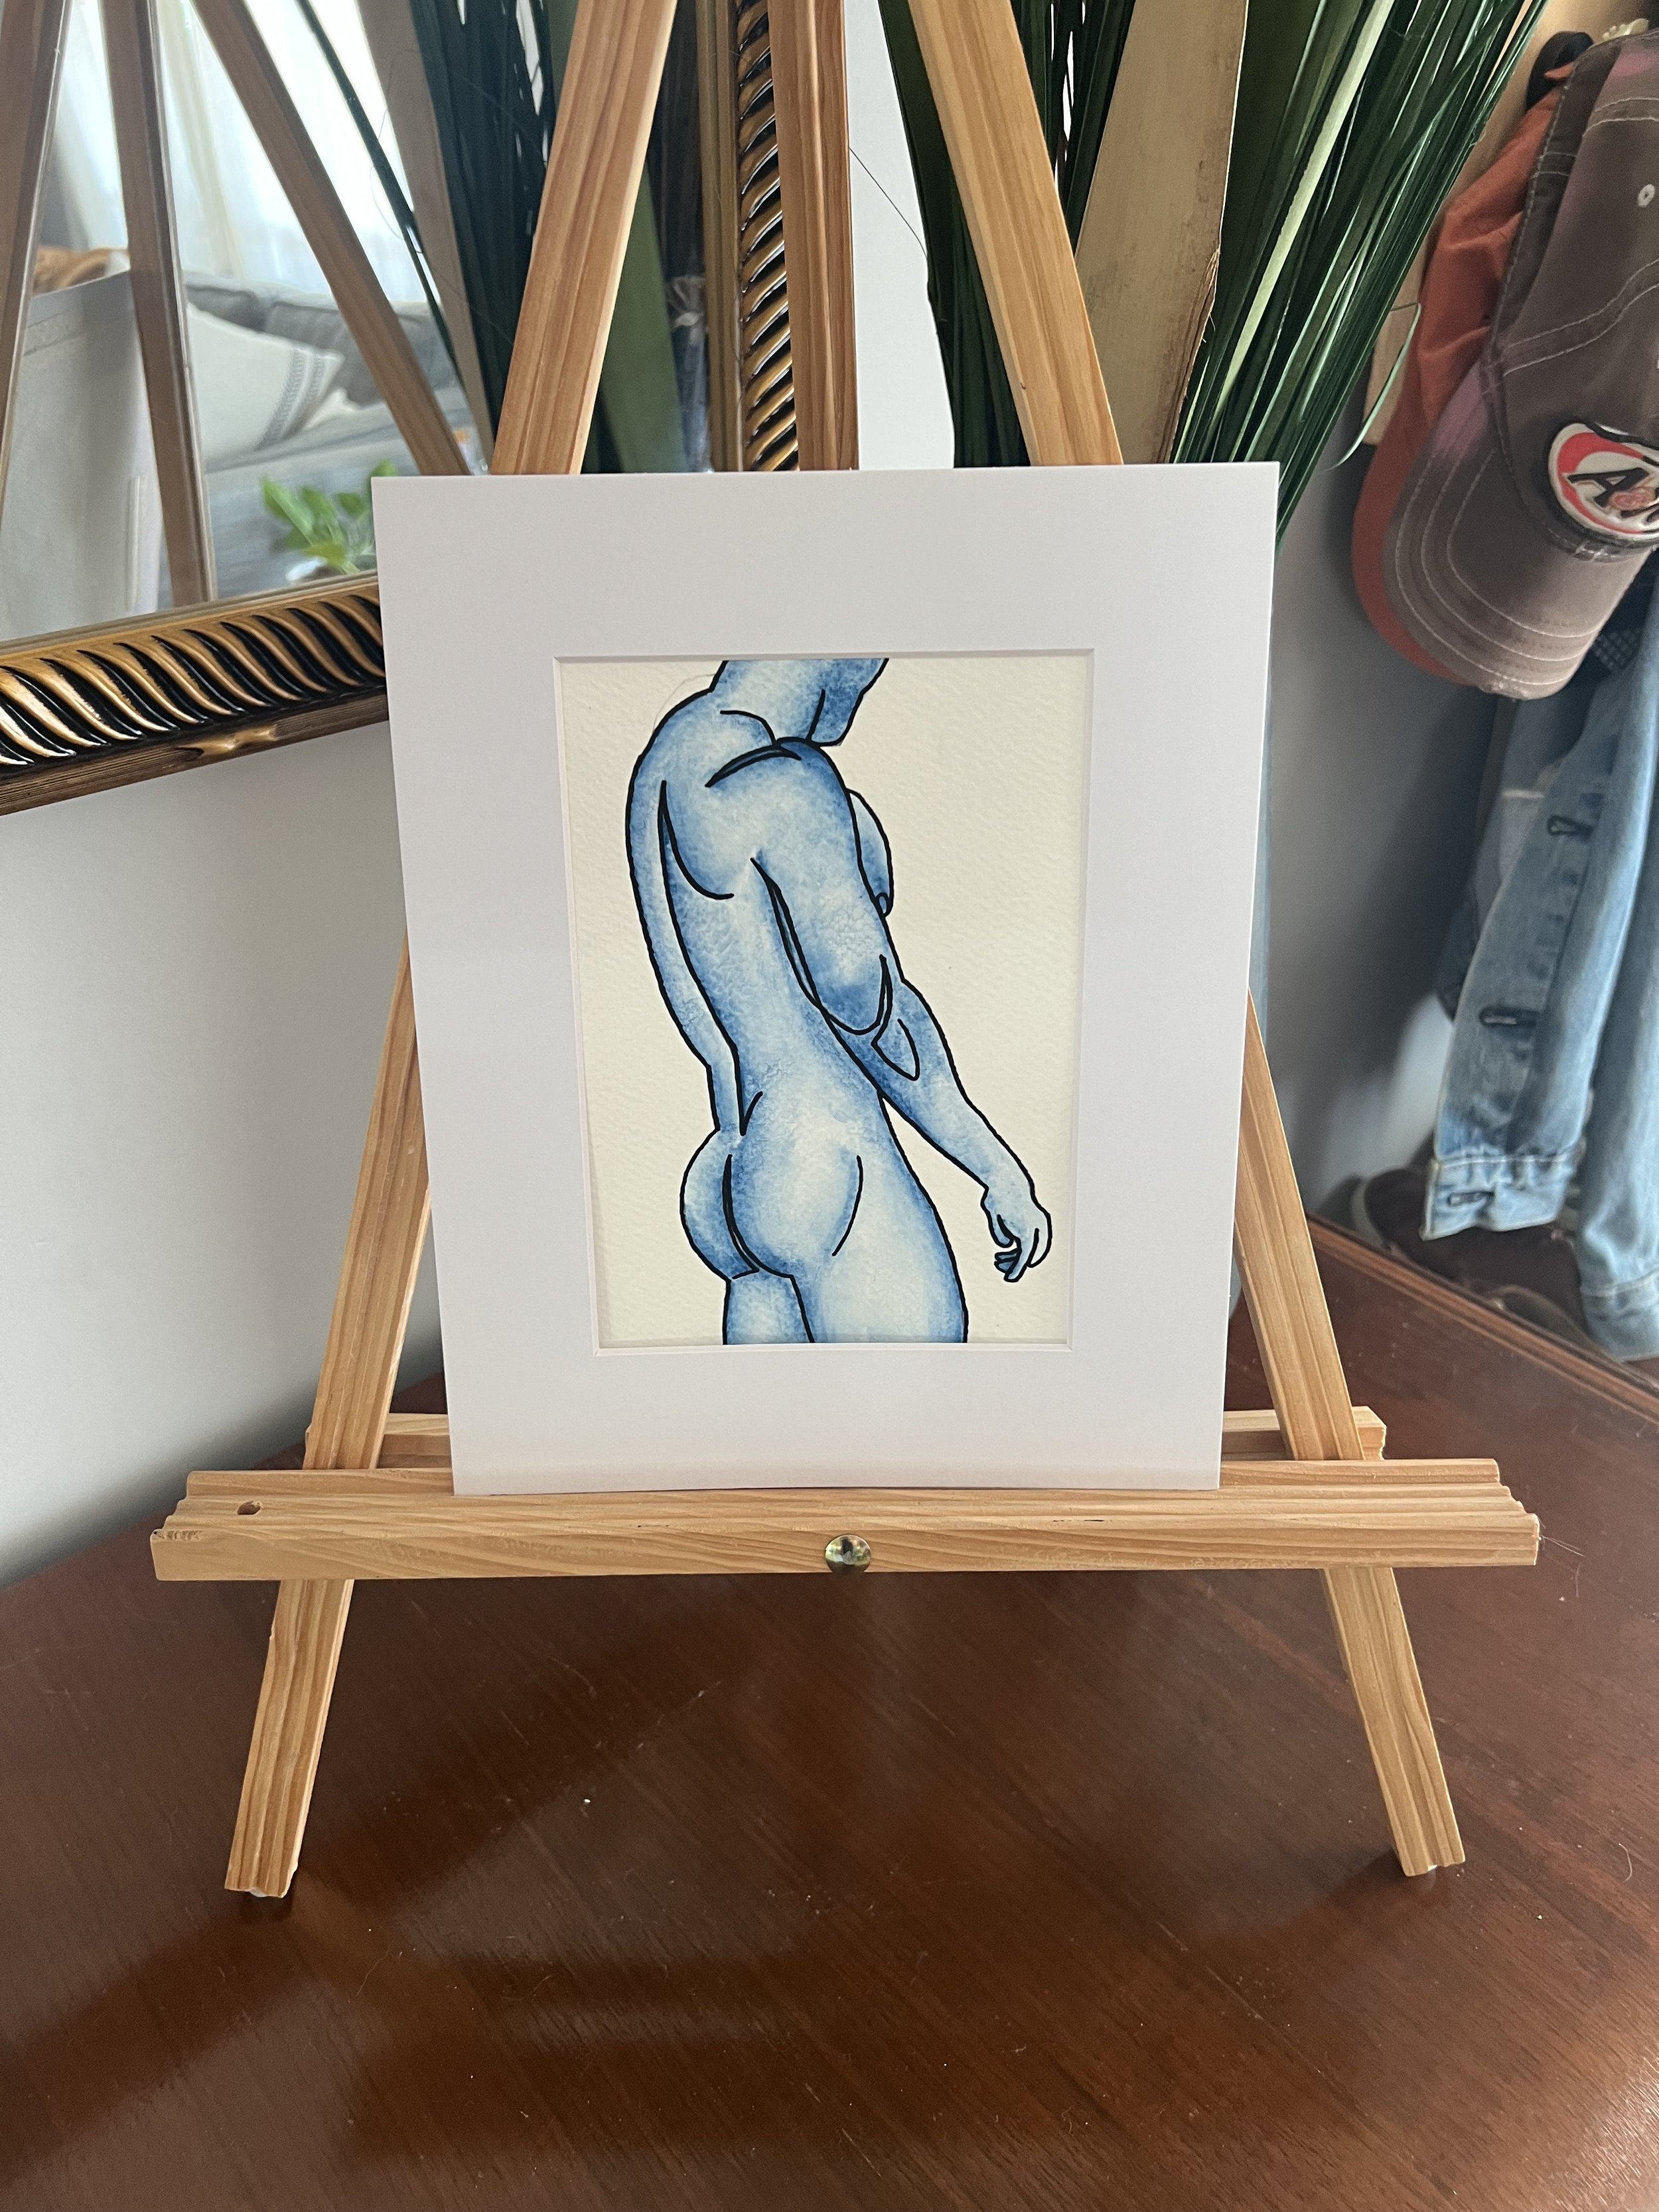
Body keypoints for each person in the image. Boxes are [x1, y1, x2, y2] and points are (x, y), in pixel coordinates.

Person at [626, 656, 1050, 1344]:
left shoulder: (672, 753)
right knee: (921, 1407)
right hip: (826, 1161)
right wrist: (996, 1166)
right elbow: (873, 1013)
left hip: (732, 1167)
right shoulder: (787, 783)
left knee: (762, 1418)